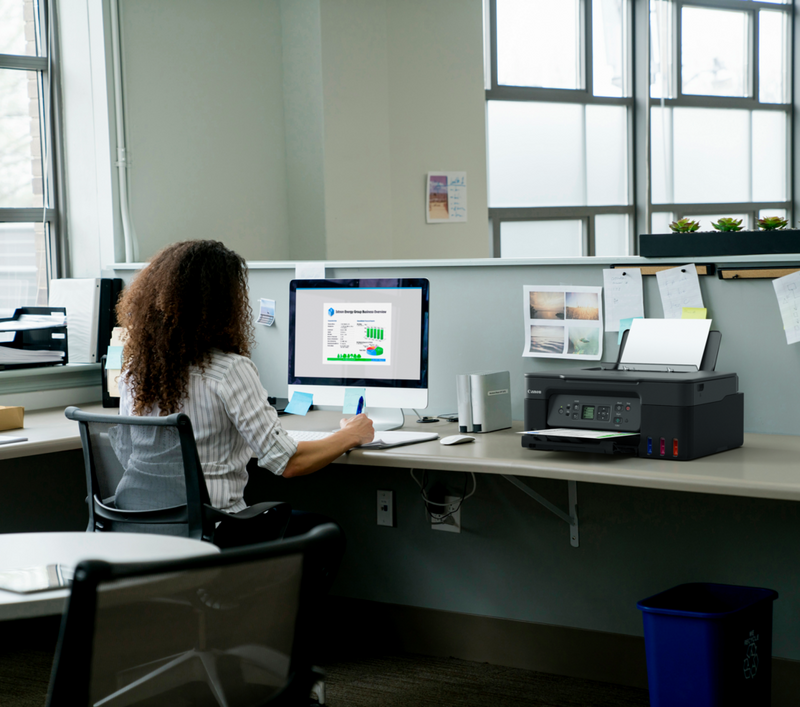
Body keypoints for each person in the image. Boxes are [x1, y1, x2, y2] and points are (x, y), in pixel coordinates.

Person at [114, 239, 374, 546]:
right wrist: (351, 435)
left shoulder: (135, 374)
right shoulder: (228, 370)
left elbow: (128, 457)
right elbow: (288, 463)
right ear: (223, 305)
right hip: (215, 531)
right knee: (325, 535)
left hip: (140, 532)